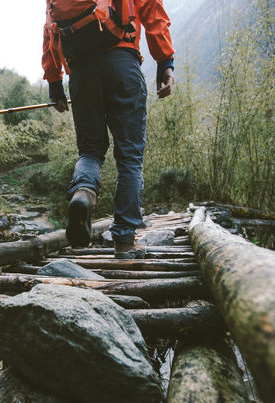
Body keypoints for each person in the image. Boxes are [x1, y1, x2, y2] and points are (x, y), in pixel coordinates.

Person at [42, 0, 175, 258]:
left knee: (90, 152)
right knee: (129, 158)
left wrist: (55, 83)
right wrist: (164, 61)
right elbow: (151, 9)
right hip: (122, 63)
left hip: (80, 71)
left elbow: (49, 28)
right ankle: (124, 241)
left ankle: (83, 191)